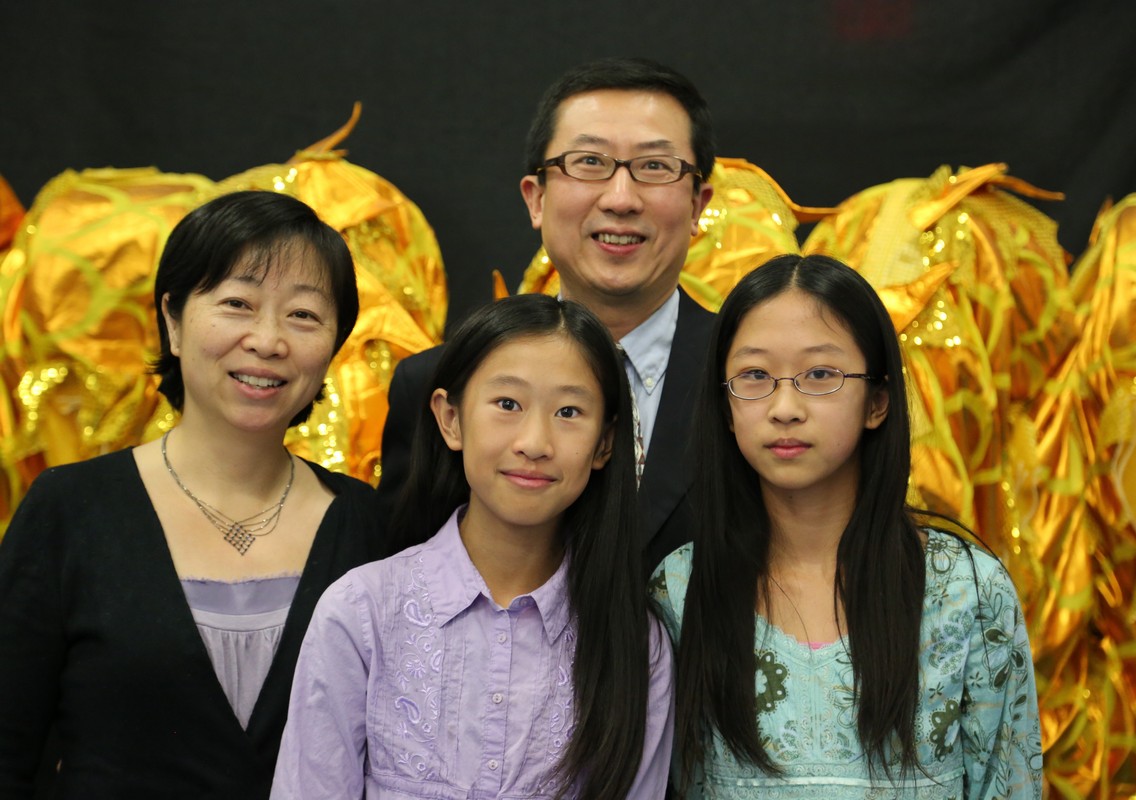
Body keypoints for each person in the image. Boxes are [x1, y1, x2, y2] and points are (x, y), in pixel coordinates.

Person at [0, 190, 388, 797]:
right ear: (174, 321)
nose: (268, 340)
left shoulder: (373, 528)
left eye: (303, 315)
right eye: (237, 304)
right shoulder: (69, 510)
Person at [652, 254, 1044, 798]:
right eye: (755, 376)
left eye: (820, 374)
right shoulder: (681, 587)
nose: (784, 407)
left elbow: (1008, 784)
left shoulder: (966, 590)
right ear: (725, 405)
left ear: (877, 401)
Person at [272, 294, 673, 799]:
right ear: (451, 419)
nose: (534, 442)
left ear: (605, 443)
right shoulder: (362, 612)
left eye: (569, 411)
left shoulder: (635, 643)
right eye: (507, 404)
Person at [378, 56, 716, 575]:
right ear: (536, 199)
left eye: (654, 167)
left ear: (697, 205)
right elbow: (405, 583)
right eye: (589, 162)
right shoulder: (437, 385)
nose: (621, 198)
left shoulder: (751, 379)